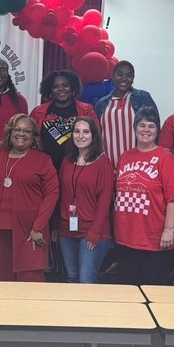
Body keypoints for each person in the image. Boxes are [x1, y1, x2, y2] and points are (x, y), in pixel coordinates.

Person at [0, 114, 60, 282]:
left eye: (27, 131)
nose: (21, 134)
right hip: (0, 232)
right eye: (17, 129)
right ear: (9, 133)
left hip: (30, 232)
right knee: (4, 284)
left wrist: (38, 227)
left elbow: (52, 194)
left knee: (30, 282)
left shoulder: (43, 160)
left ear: (34, 137)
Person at [113, 107, 174, 285]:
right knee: (129, 290)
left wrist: (169, 230)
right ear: (135, 128)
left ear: (157, 130)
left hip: (154, 240)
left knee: (153, 291)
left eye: (151, 126)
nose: (146, 130)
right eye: (142, 125)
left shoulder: (166, 158)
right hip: (125, 238)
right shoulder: (125, 157)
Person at [57, 117, 114, 284]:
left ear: (93, 136)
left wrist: (95, 232)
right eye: (77, 131)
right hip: (66, 230)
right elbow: (61, 195)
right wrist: (55, 225)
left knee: (86, 281)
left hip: (92, 232)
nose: (80, 136)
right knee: (72, 277)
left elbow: (105, 201)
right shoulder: (67, 160)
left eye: (86, 132)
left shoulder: (103, 162)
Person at [29, 70, 99, 172]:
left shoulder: (86, 110)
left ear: (72, 87)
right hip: (45, 169)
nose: (61, 89)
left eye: (65, 85)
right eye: (55, 86)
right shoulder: (37, 112)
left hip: (78, 168)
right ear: (50, 90)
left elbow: (96, 138)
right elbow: (29, 140)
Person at [94, 60, 159, 166]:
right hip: (107, 166)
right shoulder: (101, 104)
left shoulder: (143, 97)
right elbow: (96, 134)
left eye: (129, 75)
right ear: (112, 76)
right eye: (120, 74)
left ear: (133, 78)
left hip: (138, 165)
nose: (124, 78)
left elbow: (155, 128)